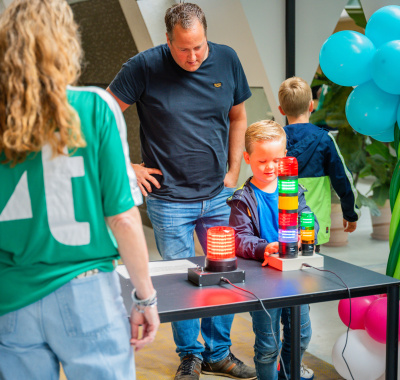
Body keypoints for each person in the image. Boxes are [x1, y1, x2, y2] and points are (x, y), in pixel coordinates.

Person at [0, 1, 159, 379]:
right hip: (86, 292)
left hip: (11, 298)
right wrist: (145, 296)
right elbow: (122, 218)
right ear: (66, 42)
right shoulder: (96, 107)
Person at [107, 3, 255, 380]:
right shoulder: (143, 66)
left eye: (200, 47)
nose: (193, 57)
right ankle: (190, 355)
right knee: (181, 280)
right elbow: (103, 117)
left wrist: (235, 168)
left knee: (224, 275)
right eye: (183, 49)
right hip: (169, 200)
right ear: (167, 40)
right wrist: (128, 167)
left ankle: (218, 353)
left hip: (218, 196)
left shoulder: (227, 59)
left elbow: (238, 116)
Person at [228, 120, 317, 380]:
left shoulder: (293, 189)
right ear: (247, 158)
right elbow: (239, 239)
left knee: (300, 336)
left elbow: (308, 218)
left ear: (285, 158)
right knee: (268, 346)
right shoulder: (242, 199)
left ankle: (290, 375)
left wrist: (304, 234)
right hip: (263, 283)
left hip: (294, 277)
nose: (270, 167)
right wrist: (264, 247)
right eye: (262, 161)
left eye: (276, 160)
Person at [278, 77, 360, 249]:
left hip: (282, 226)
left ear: (281, 110)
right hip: (313, 226)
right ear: (311, 106)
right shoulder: (324, 139)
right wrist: (350, 214)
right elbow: (342, 179)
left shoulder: (275, 141)